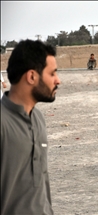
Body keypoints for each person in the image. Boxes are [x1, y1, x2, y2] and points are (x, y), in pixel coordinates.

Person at [1, 39, 60, 215]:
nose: (58, 80)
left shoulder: (38, 119)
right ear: (32, 76)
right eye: (52, 74)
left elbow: (42, 183)